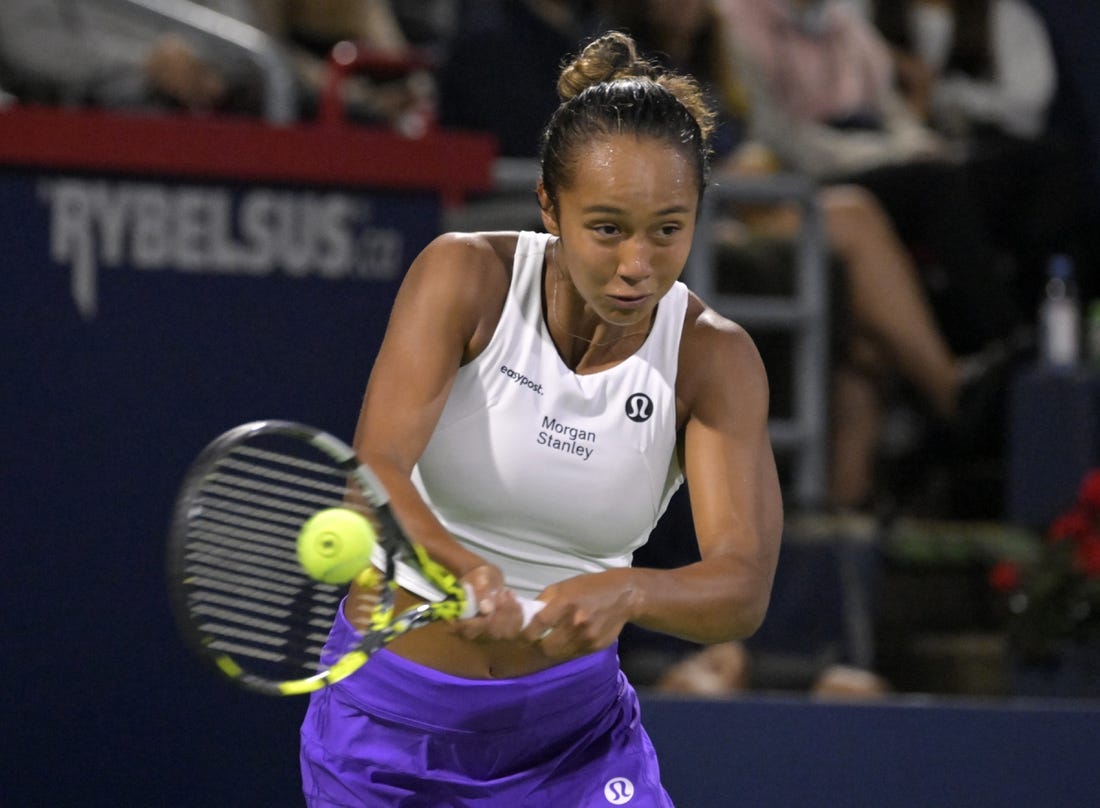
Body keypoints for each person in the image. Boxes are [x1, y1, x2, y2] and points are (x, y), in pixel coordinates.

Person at [298, 31, 784, 805]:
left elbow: (741, 587)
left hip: (575, 743)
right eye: (607, 228)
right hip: (389, 735)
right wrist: (467, 573)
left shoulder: (714, 358)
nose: (638, 265)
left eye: (669, 229)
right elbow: (375, 475)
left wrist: (630, 592)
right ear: (549, 205)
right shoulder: (464, 275)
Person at [606, 0, 1016, 509]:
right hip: (693, 221)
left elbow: (755, 137)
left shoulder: (718, 58)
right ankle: (954, 394)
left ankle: (842, 512)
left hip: (750, 205)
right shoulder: (622, 66)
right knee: (852, 216)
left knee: (866, 333)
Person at [0, 0, 270, 116]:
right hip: (75, 135)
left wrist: (200, 66)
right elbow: (30, 42)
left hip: (206, 121)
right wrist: (147, 66)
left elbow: (245, 40)